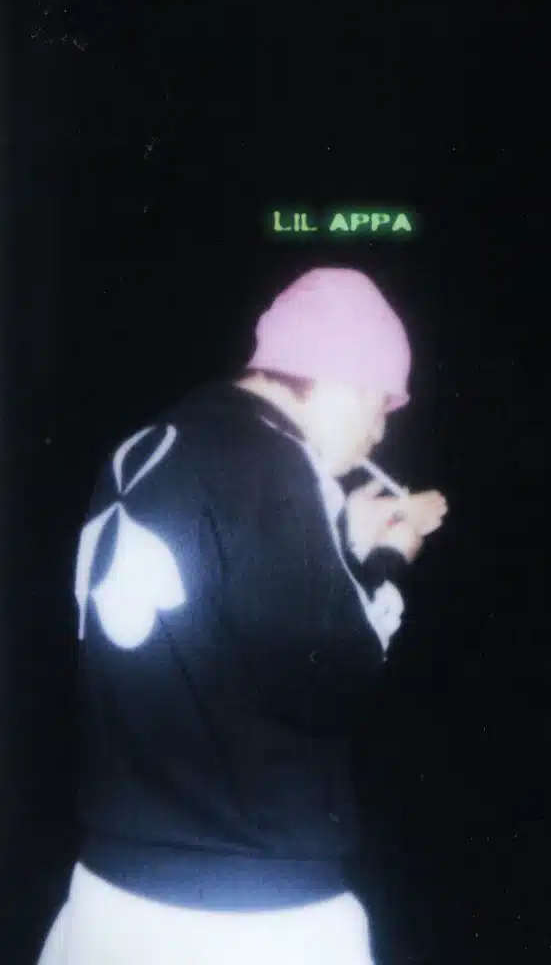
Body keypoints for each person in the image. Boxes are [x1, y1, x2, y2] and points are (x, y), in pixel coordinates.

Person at [35, 267, 447, 965]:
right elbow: (333, 675)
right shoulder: (279, 462)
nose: (378, 435)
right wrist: (389, 558)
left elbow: (223, 624)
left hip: (110, 895)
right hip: (250, 914)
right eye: (379, 405)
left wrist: (340, 544)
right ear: (339, 375)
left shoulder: (149, 445)